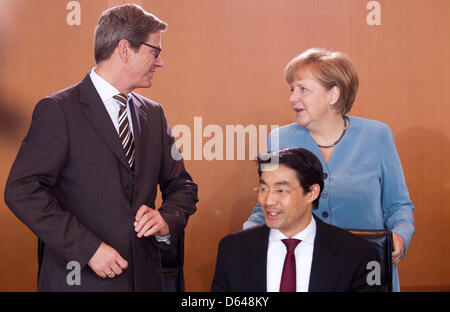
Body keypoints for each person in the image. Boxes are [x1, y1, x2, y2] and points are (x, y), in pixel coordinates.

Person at [4, 4, 198, 291]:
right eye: (155, 52)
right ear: (125, 49)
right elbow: (22, 190)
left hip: (145, 281)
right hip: (80, 281)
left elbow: (183, 186)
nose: (160, 62)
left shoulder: (154, 115)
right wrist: (89, 249)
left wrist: (166, 218)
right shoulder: (58, 111)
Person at [243, 48, 415, 291]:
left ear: (333, 94)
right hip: (305, 271)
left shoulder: (378, 136)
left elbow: (399, 206)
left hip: (367, 271)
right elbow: (268, 204)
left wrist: (400, 235)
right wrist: (247, 235)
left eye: (303, 89)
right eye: (291, 89)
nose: (293, 97)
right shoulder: (279, 139)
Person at [212, 148, 379, 292]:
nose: (268, 200)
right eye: (263, 189)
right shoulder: (232, 250)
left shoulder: (358, 254)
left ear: (312, 192)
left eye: (281, 190)